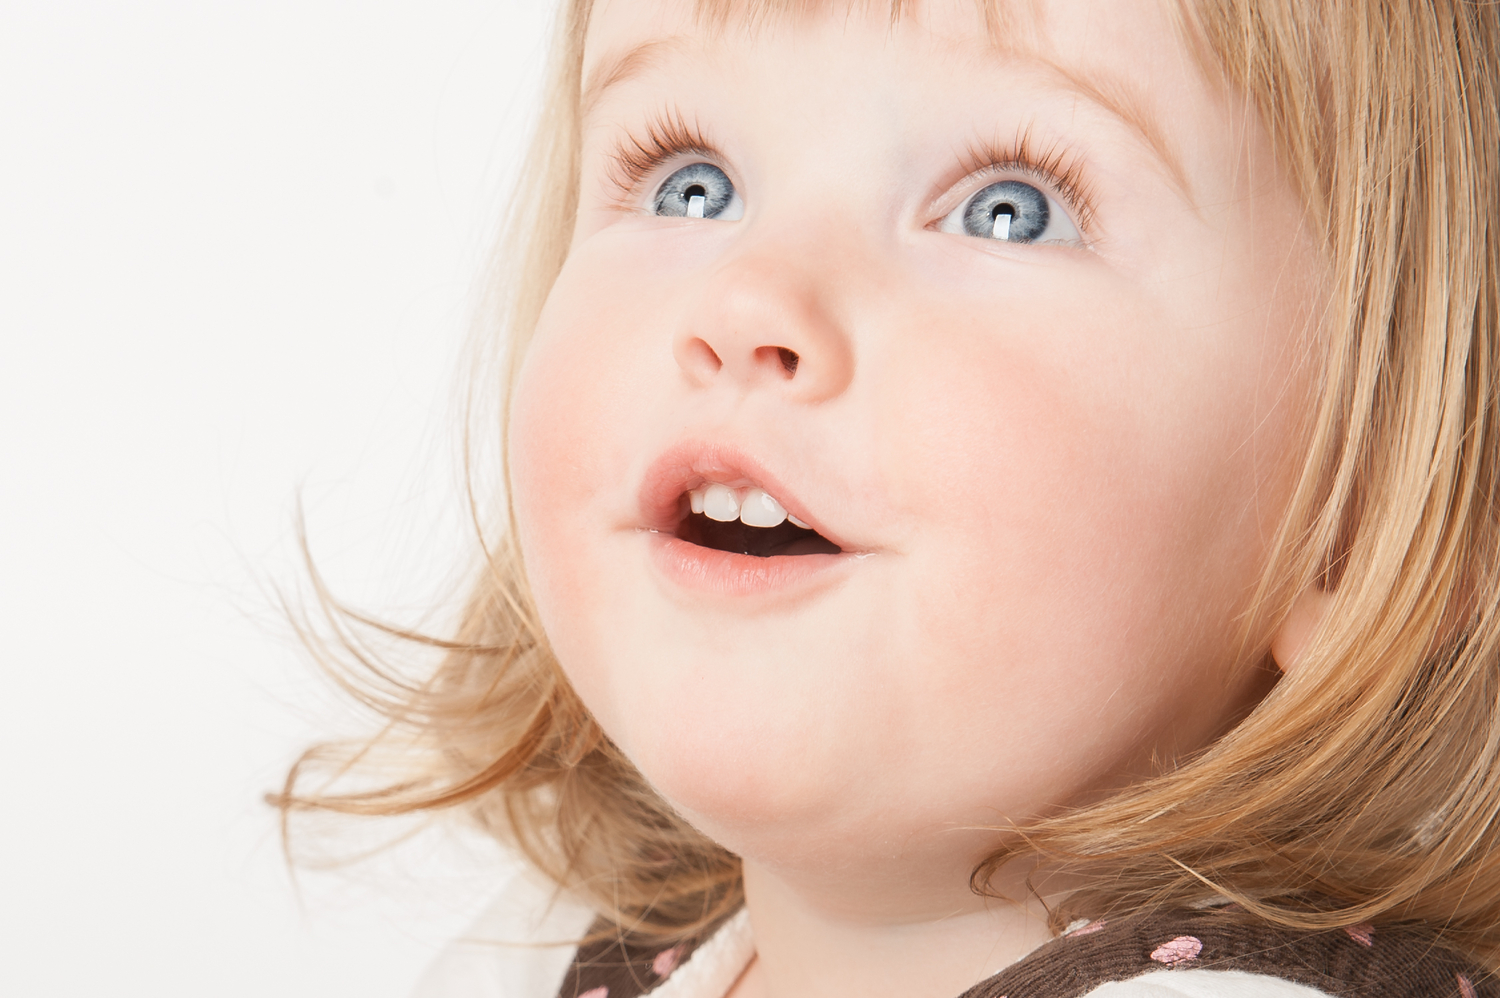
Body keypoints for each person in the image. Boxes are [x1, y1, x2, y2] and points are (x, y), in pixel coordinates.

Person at [274, 1, 1500, 996]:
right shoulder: (538, 953)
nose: (749, 300)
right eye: (689, 182)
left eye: (1010, 210)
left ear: (1358, 521)